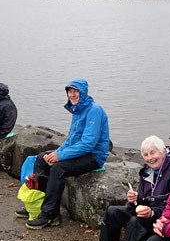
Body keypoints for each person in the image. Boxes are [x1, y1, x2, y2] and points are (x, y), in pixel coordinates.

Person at [23, 79, 109, 230]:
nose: (72, 95)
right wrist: (57, 152)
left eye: (76, 91)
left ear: (83, 93)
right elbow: (71, 139)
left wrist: (61, 157)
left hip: (94, 156)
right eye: (70, 92)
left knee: (58, 168)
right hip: (81, 152)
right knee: (42, 158)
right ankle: (39, 205)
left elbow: (88, 143)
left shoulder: (94, 110)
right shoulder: (77, 110)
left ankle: (51, 214)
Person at [88, 135, 170, 241]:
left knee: (135, 222)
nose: (149, 158)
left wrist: (152, 212)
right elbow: (138, 206)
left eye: (153, 153)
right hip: (147, 213)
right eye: (146, 155)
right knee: (112, 212)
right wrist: (134, 200)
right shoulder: (147, 171)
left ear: (164, 151)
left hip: (163, 218)